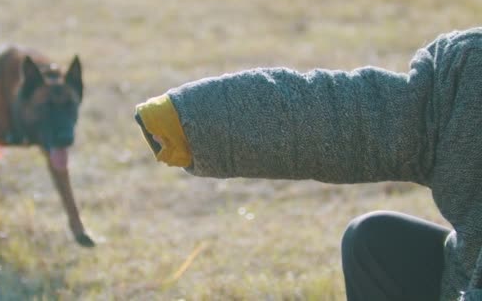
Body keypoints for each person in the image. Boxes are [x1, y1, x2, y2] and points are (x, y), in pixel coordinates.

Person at [134, 28, 482, 301]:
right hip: (467, 275)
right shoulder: (471, 69)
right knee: (376, 243)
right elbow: (358, 118)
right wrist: (195, 120)